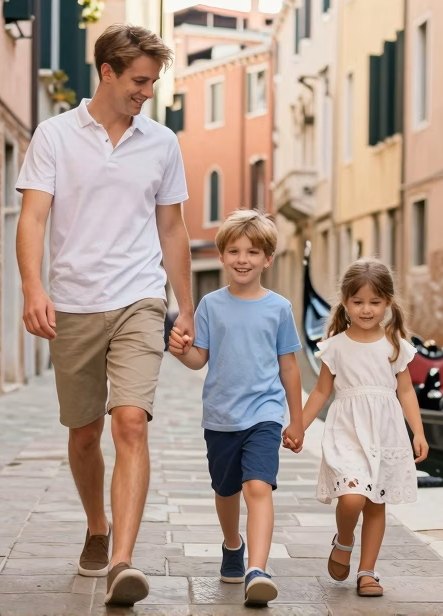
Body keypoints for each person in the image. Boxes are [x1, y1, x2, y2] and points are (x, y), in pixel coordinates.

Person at [15, 23, 194, 607]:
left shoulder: (161, 143)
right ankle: (98, 525)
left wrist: (185, 305)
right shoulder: (55, 135)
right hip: (72, 303)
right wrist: (32, 287)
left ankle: (122, 562)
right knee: (85, 433)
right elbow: (35, 218)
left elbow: (172, 229)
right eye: (139, 80)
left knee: (131, 423)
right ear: (108, 71)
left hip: (140, 298)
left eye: (154, 82)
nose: (147, 91)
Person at [167, 209, 304, 608]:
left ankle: (257, 570)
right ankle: (233, 546)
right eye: (234, 251)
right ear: (222, 256)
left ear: (267, 259)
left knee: (257, 486)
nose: (243, 258)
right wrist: (180, 352)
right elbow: (200, 360)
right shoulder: (210, 305)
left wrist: (296, 420)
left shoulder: (279, 308)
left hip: (264, 412)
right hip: (221, 416)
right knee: (225, 490)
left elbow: (290, 366)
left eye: (253, 251)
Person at [288, 258, 429, 598]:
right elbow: (321, 391)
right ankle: (344, 540)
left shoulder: (395, 345)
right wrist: (299, 427)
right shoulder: (335, 346)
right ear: (346, 302)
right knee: (352, 498)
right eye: (358, 302)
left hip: (385, 431)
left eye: (375, 302)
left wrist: (418, 432)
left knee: (376, 501)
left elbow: (406, 391)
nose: (366, 310)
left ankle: (368, 572)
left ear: (388, 304)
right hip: (347, 431)